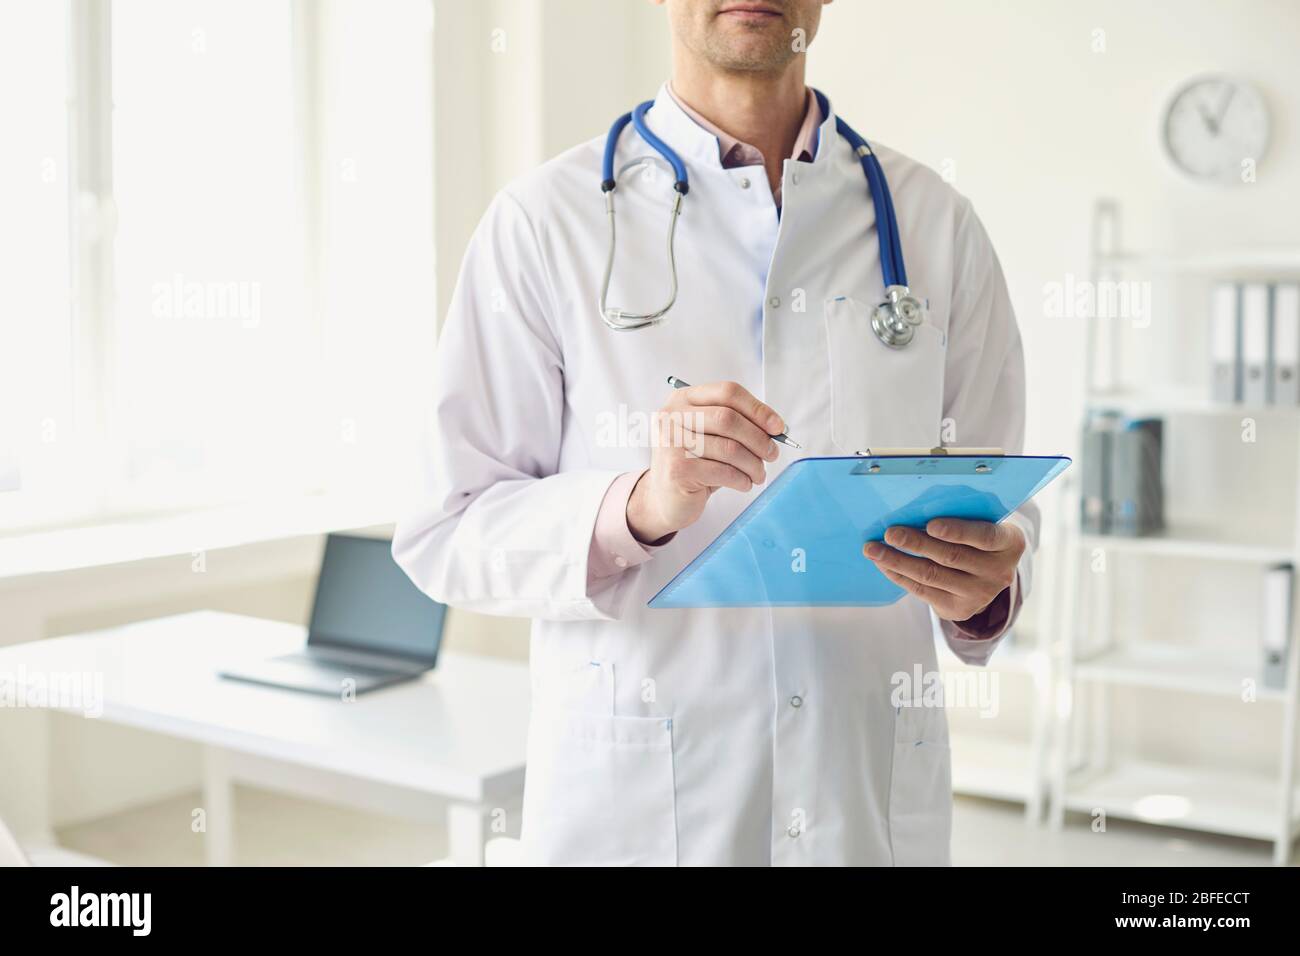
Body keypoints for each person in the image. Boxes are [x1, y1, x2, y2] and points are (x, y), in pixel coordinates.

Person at [393, 0, 1034, 866]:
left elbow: (1008, 500)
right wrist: (640, 506)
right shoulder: (542, 225)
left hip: (862, 801)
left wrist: (988, 587)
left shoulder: (936, 225)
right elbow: (448, 530)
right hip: (636, 812)